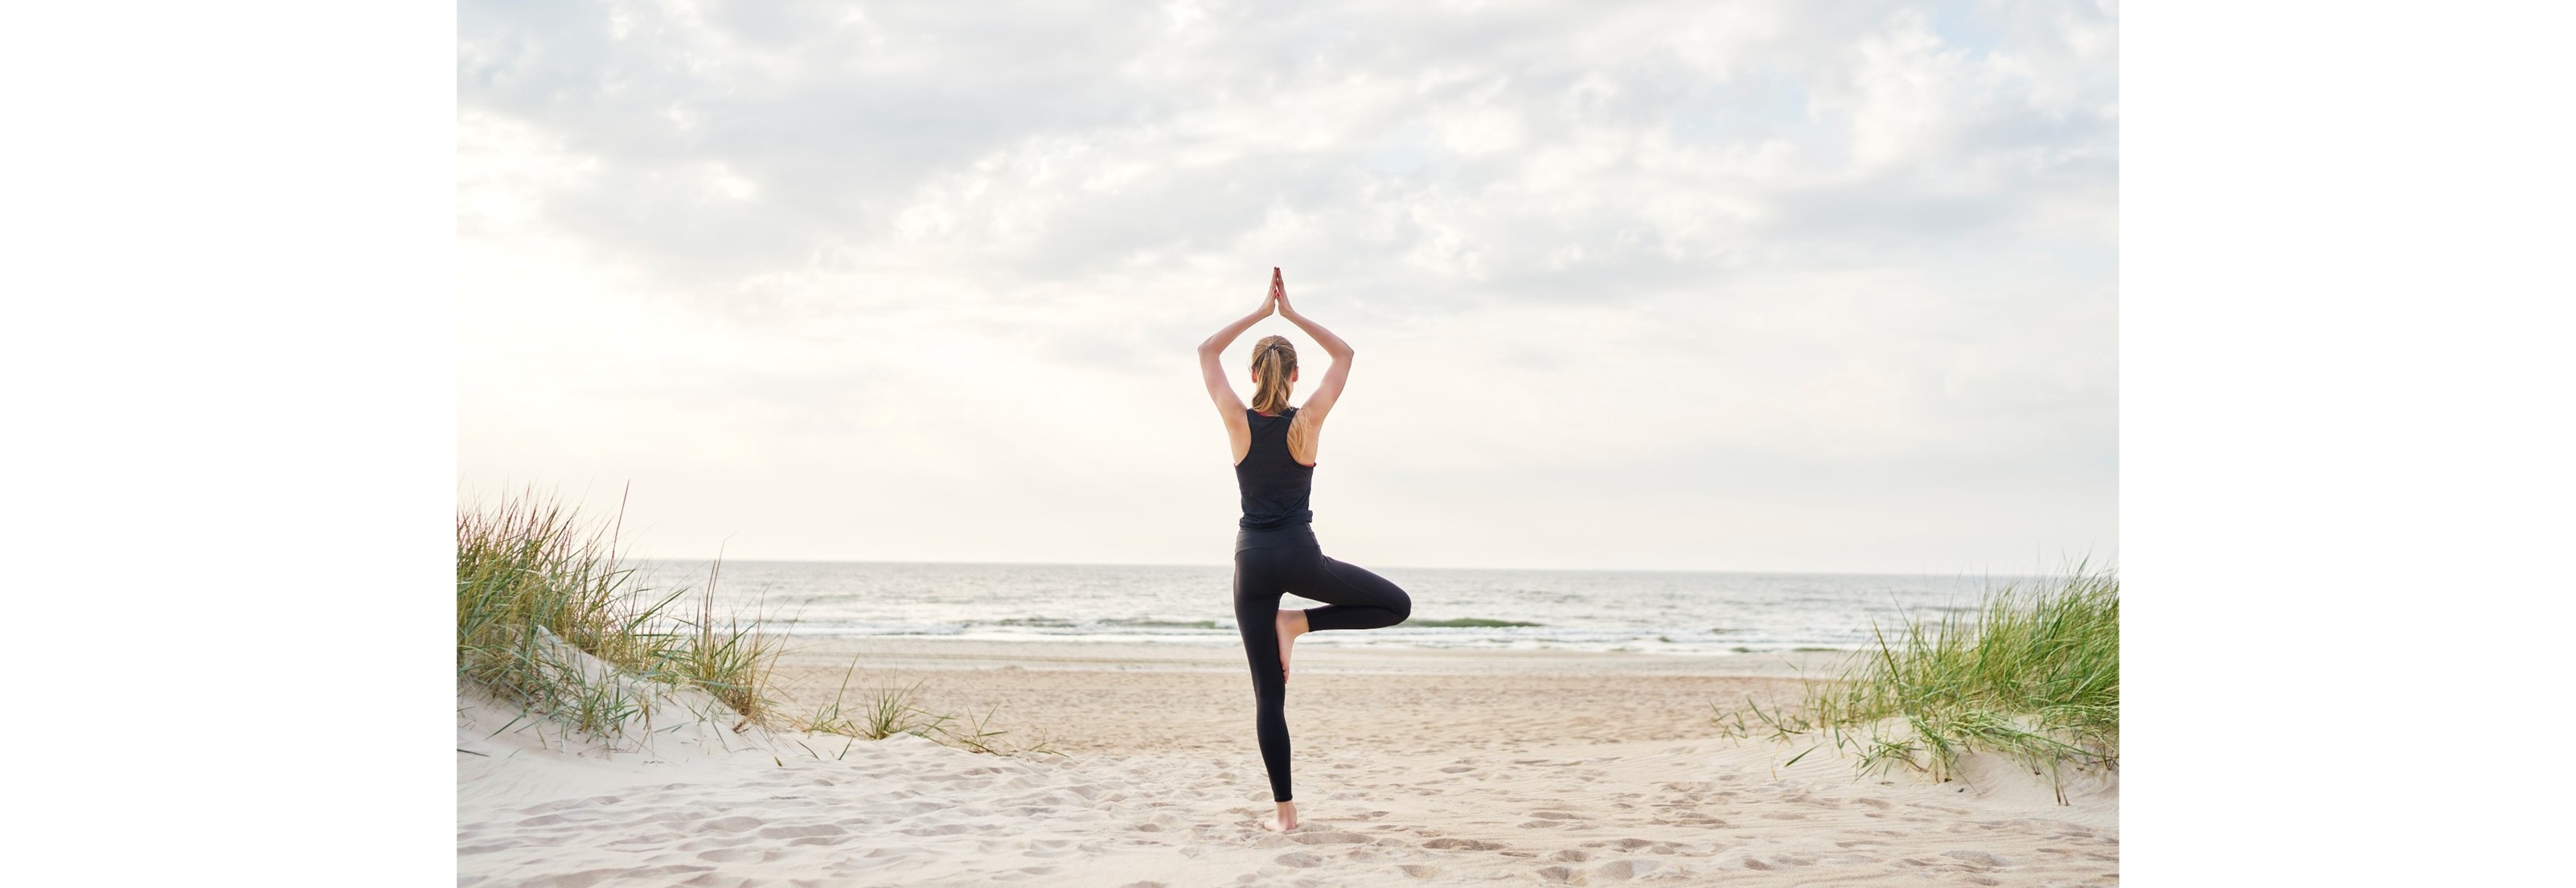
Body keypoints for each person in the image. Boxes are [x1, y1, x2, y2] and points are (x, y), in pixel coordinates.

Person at [1196, 268, 1413, 832]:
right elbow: (1344, 354)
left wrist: (1257, 312)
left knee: (1269, 696)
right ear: (1295, 375)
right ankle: (1299, 624)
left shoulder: (1236, 420)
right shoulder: (1307, 422)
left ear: (1252, 374)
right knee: (1396, 605)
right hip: (1299, 555)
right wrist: (1288, 313)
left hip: (1251, 564)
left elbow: (1205, 350)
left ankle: (1285, 816)